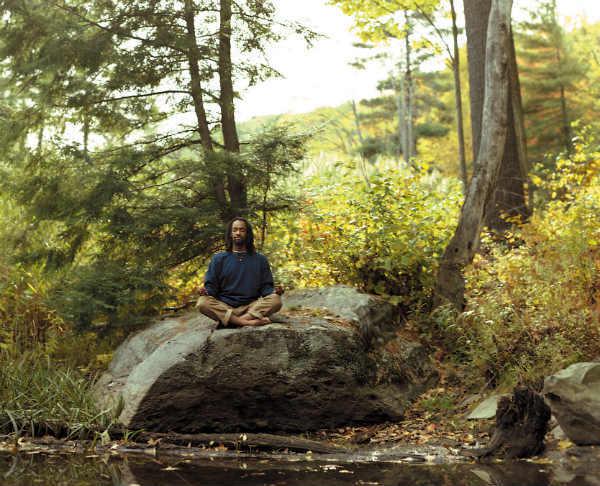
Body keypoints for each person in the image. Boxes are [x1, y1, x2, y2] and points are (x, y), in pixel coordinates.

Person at [196, 217, 282, 327]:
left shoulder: (260, 259)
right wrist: (205, 292)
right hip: (225, 306)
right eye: (235, 230)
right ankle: (245, 322)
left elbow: (266, 289)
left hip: (250, 307)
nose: (238, 233)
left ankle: (233, 322)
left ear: (247, 234)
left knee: (276, 300)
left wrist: (275, 291)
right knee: (202, 302)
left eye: (242, 230)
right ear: (230, 234)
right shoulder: (218, 259)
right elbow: (212, 288)